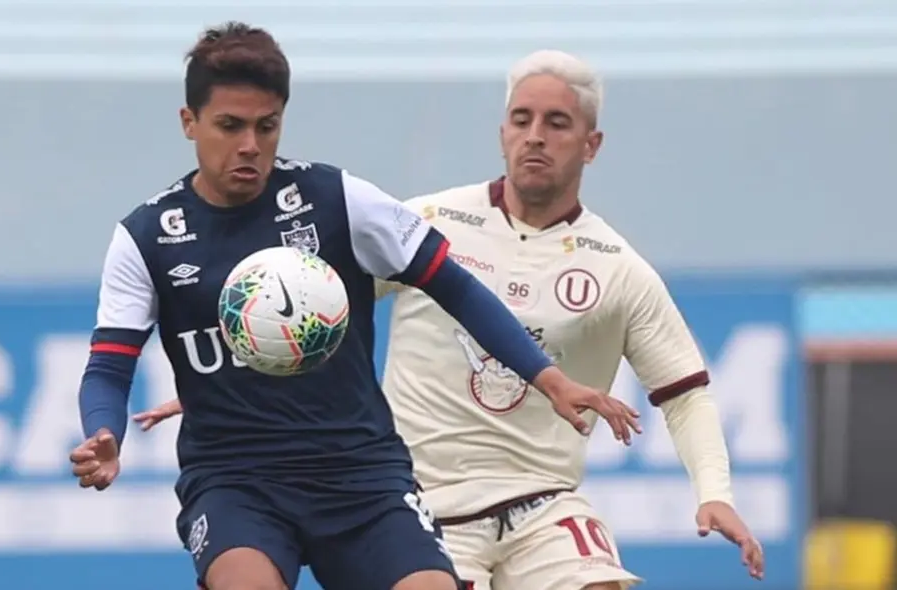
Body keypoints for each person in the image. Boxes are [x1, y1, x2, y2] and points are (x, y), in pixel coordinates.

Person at [135, 49, 766, 590]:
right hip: (428, 502)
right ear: (501, 132)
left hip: (544, 504)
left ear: (592, 145)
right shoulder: (427, 223)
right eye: (521, 119)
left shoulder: (619, 267)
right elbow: (306, 312)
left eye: (557, 123)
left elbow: (686, 395)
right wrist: (232, 386)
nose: (535, 136)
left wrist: (716, 493)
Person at [69, 24, 641, 590]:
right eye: (229, 126)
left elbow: (457, 287)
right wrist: (104, 431)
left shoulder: (337, 200)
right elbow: (110, 366)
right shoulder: (147, 236)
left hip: (360, 473)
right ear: (189, 122)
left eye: (266, 127)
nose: (250, 145)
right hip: (235, 480)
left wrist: (549, 379)